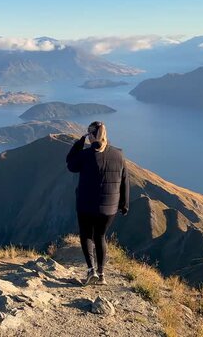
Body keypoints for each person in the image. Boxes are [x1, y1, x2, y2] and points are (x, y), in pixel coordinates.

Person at [66, 121, 129, 286]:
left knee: (86, 235)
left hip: (86, 205)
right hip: (109, 208)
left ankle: (90, 271)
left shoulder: (86, 155)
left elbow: (70, 164)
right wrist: (124, 203)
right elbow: (125, 180)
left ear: (91, 135)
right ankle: (101, 275)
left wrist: (79, 144)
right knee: (100, 236)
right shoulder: (119, 154)